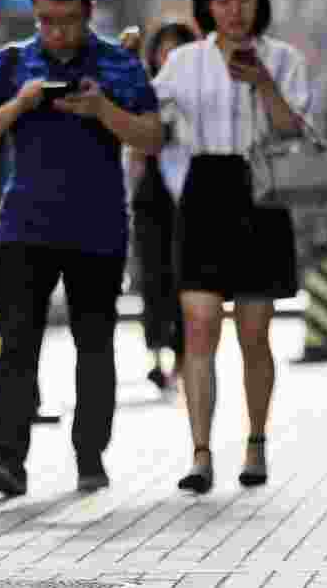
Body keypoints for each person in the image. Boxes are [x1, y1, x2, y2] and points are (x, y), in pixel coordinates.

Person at [0, 0, 164, 496]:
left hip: (98, 230)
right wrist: (19, 105)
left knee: (94, 347)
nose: (56, 33)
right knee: (18, 345)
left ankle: (90, 457)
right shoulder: (10, 63)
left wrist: (103, 111)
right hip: (24, 226)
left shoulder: (118, 65)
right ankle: (9, 460)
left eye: (68, 21)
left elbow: (152, 136)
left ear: (89, 11)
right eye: (45, 20)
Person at [151, 0, 319, 494]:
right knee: (199, 326)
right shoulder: (185, 61)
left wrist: (263, 82)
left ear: (259, 1)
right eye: (222, 0)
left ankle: (256, 441)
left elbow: (297, 130)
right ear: (206, 5)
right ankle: (200, 453)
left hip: (261, 191)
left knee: (254, 333)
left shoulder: (285, 58)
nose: (234, 10)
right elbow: (153, 117)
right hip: (204, 190)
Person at [123, 22, 197, 391]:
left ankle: (184, 357)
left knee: (187, 279)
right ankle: (155, 355)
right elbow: (134, 148)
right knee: (153, 278)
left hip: (191, 196)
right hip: (153, 197)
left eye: (177, 50)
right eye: (163, 50)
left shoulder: (202, 93)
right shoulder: (145, 91)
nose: (169, 57)